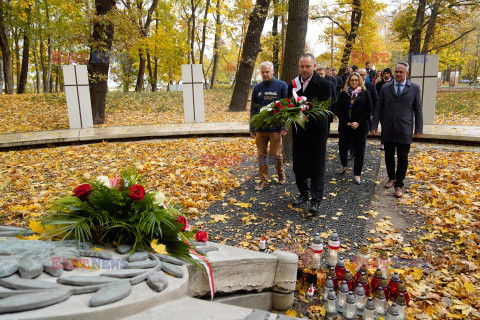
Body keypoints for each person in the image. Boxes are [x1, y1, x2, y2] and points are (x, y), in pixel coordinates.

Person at [288, 53, 332, 214]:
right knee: (298, 166)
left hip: (317, 133)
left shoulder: (325, 85)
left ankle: (315, 200)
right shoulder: (292, 84)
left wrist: (307, 118)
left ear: (314, 66)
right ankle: (303, 194)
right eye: (302, 66)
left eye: (307, 66)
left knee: (317, 168)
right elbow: (288, 105)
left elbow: (325, 110)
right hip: (299, 132)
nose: (304, 69)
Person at [371, 62, 423, 198]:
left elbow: (418, 110)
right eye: (396, 71)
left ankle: (399, 184)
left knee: (403, 157)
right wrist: (374, 126)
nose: (398, 74)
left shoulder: (414, 88)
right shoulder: (385, 88)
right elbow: (378, 107)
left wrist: (419, 129)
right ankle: (391, 177)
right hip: (388, 127)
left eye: (401, 72)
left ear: (407, 73)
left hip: (404, 128)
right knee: (388, 156)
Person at [250, 61, 288, 191]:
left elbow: (286, 108)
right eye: (263, 72)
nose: (265, 74)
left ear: (272, 71)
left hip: (276, 128)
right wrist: (252, 127)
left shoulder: (282, 86)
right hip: (260, 128)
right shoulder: (257, 88)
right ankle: (263, 180)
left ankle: (280, 173)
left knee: (276, 154)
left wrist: (284, 126)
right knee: (261, 155)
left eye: (267, 71)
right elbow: (253, 109)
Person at [335, 72, 372, 184]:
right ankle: (343, 165)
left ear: (359, 81)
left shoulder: (365, 93)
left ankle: (357, 174)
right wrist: (346, 122)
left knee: (359, 151)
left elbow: (368, 110)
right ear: (348, 81)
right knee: (343, 148)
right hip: (345, 126)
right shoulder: (343, 94)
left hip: (360, 127)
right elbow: (338, 110)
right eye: (352, 80)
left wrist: (358, 122)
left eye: (356, 80)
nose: (354, 82)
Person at [374, 67, 393, 151]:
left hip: (391, 108)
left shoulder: (394, 83)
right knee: (384, 126)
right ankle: (383, 142)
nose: (386, 75)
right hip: (382, 109)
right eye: (384, 73)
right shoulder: (379, 84)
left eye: (387, 73)